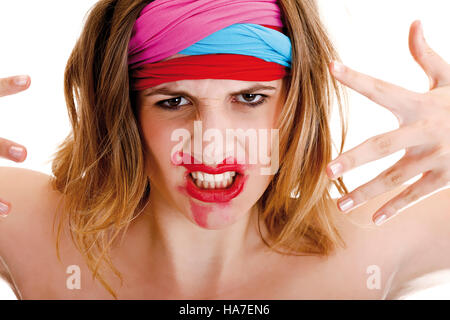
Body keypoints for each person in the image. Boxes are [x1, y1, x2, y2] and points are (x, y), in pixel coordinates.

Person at [0, 0, 449, 300]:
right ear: (125, 113)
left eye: (249, 98)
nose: (211, 146)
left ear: (295, 105)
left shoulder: (370, 241)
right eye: (173, 102)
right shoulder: (32, 224)